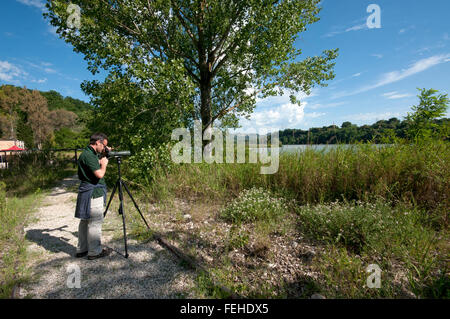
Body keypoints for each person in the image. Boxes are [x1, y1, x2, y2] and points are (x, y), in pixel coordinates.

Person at [74, 133, 112, 260]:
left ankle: (82, 249)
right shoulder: (88, 156)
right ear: (97, 143)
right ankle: (95, 251)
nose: (104, 148)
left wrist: (105, 155)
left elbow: (96, 160)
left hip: (87, 192)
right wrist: (104, 164)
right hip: (93, 193)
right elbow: (100, 174)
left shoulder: (88, 153)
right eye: (104, 146)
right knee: (95, 222)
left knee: (85, 221)